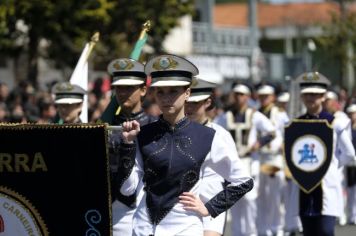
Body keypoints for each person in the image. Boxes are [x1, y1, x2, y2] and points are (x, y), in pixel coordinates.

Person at [117, 54, 254, 236]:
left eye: (173, 91)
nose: (166, 98)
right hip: (143, 228)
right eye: (160, 92)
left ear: (187, 93)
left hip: (185, 228)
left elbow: (244, 181)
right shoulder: (143, 133)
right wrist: (127, 144)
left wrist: (210, 208)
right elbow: (127, 189)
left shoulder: (209, 136)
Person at [286, 72, 356, 236]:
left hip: (327, 187)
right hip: (304, 187)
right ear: (302, 96)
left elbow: (350, 154)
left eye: (316, 94)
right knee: (309, 232)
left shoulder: (334, 123)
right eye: (308, 94)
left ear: (323, 96)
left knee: (325, 231)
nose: (311, 98)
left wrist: (331, 166)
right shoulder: (296, 124)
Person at [214, 83, 276, 236]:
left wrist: (258, 144)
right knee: (234, 199)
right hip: (233, 161)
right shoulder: (225, 116)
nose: (238, 97)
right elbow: (213, 130)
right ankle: (237, 232)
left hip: (250, 160)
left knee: (249, 198)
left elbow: (271, 131)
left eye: (241, 94)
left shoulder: (254, 115)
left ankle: (251, 232)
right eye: (236, 94)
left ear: (247, 97)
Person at [106, 58, 157, 236]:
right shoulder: (104, 126)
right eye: (119, 87)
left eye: (129, 88)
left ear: (143, 90)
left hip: (143, 208)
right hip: (107, 209)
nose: (122, 92)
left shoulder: (154, 126)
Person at [185, 77, 228, 236]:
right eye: (187, 102)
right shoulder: (176, 133)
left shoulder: (220, 134)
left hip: (211, 203)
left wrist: (213, 207)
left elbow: (238, 181)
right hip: (184, 207)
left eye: (195, 103)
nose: (189, 108)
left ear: (207, 103)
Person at [256, 84, 289, 236]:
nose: (263, 99)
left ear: (273, 97)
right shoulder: (255, 113)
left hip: (274, 157)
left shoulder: (280, 114)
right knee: (260, 194)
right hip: (258, 157)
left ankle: (277, 227)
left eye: (266, 96)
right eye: (261, 96)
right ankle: (263, 228)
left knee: (276, 194)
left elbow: (288, 133)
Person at [345, 103, 356, 225]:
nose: (352, 116)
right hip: (349, 162)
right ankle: (350, 214)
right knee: (350, 189)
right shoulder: (347, 127)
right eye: (351, 114)